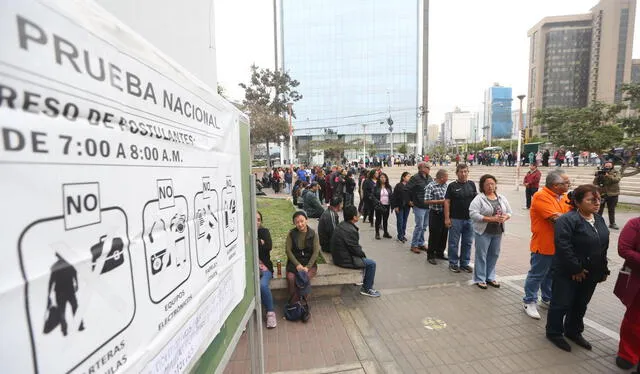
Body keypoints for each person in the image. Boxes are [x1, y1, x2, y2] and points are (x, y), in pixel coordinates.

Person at [546, 185, 610, 352]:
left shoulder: (599, 219)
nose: (596, 203)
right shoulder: (567, 220)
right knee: (561, 303)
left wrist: (603, 269)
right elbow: (563, 246)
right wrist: (576, 269)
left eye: (598, 199)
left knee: (581, 304)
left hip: (591, 272)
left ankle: (573, 331)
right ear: (577, 202)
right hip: (568, 272)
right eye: (591, 200)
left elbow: (602, 246)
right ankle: (554, 332)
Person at [523, 169, 572, 319]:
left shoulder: (563, 197)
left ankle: (546, 298)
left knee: (551, 274)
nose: (569, 185)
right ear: (555, 185)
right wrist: (573, 218)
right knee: (537, 274)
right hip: (544, 244)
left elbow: (568, 215)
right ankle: (529, 301)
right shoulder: (540, 196)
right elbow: (557, 219)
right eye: (566, 183)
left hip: (559, 245)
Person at [469, 175, 512, 289]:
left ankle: (490, 277)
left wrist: (505, 217)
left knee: (494, 254)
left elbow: (509, 212)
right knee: (481, 255)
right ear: (482, 186)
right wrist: (490, 219)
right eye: (487, 184)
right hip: (483, 232)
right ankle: (480, 278)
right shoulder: (479, 199)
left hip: (497, 231)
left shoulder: (501, 198)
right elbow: (473, 214)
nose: (490, 186)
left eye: (492, 183)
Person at [331, 205, 381, 297]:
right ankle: (367, 288)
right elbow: (356, 250)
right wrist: (363, 255)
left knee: (363, 259)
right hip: (343, 260)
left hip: (339, 256)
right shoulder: (350, 230)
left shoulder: (342, 224)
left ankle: (362, 280)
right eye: (357, 214)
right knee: (371, 264)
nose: (358, 215)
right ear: (354, 217)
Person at [616, 217, 640, 370]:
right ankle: (627, 354)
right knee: (634, 319)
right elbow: (623, 249)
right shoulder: (635, 224)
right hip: (638, 279)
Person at [444, 163, 477, 273]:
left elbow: (476, 201)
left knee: (467, 242)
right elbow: (447, 202)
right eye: (461, 172)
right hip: (455, 219)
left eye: (465, 171)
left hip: (469, 219)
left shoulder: (472, 184)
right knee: (453, 243)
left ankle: (464, 263)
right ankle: (453, 263)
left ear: (468, 172)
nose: (463, 174)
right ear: (457, 173)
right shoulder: (452, 186)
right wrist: (447, 218)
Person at [285, 211, 320, 304]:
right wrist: (297, 265)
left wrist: (307, 267)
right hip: (294, 263)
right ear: (294, 223)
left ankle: (300, 303)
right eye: (297, 222)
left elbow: (316, 252)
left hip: (309, 264)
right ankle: (295, 304)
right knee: (291, 278)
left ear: (306, 220)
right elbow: (288, 250)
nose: (300, 224)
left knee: (304, 278)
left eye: (302, 221)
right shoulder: (291, 234)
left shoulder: (313, 234)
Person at [407, 162, 433, 253]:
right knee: (419, 226)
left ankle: (421, 243)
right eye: (427, 167)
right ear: (421, 168)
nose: (429, 168)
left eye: (429, 167)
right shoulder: (415, 178)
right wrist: (409, 200)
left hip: (428, 205)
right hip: (418, 206)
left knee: (424, 226)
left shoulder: (429, 178)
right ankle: (414, 245)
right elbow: (406, 189)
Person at [424, 169, 449, 265]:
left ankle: (440, 253)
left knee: (443, 234)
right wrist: (441, 201)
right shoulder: (431, 186)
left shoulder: (445, 185)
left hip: (444, 213)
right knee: (434, 234)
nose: (447, 178)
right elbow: (426, 201)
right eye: (446, 176)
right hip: (435, 213)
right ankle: (430, 255)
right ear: (442, 177)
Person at [257, 211, 277, 328]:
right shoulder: (245, 232)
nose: (257, 222)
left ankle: (270, 313)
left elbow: (268, 246)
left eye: (259, 219)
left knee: (262, 285)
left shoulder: (264, 232)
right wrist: (260, 242)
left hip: (265, 267)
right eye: (255, 219)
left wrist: (259, 242)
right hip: (251, 269)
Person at [593, 161, 621, 230]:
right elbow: (595, 183)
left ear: (612, 166)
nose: (607, 167)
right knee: (599, 209)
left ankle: (612, 223)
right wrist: (598, 176)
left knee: (611, 209)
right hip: (602, 194)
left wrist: (608, 176)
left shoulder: (616, 172)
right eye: (606, 166)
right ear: (604, 166)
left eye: (609, 166)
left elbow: (617, 180)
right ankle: (597, 223)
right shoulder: (601, 172)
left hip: (613, 194)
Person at [391, 172, 412, 243]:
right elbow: (394, 197)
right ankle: (400, 236)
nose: (409, 177)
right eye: (408, 176)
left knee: (404, 221)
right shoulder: (398, 185)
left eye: (410, 176)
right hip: (399, 206)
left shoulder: (410, 186)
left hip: (407, 206)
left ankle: (403, 234)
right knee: (400, 221)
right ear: (403, 177)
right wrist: (395, 206)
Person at [372, 172, 393, 240]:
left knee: (385, 219)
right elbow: (372, 196)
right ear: (379, 178)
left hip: (387, 205)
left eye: (384, 177)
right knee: (378, 219)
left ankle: (385, 232)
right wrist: (377, 201)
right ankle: (377, 233)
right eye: (381, 177)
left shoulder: (389, 186)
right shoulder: (375, 186)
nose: (383, 179)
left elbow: (391, 195)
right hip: (379, 205)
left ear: (386, 179)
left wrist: (392, 204)